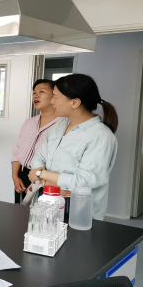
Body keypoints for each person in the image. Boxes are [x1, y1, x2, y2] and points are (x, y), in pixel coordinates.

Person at [29, 74, 118, 220]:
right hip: (49, 202)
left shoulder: (101, 135)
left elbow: (85, 181)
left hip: (79, 212)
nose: (52, 101)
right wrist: (47, 183)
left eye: (55, 97)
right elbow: (39, 156)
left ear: (75, 102)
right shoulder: (60, 126)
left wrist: (40, 174)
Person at [11, 79, 62, 204]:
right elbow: (17, 151)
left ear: (55, 95)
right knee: (19, 212)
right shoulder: (29, 123)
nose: (36, 95)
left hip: (47, 179)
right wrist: (15, 176)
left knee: (41, 213)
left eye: (42, 91)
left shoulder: (63, 124)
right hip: (23, 176)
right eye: (34, 93)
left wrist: (38, 183)